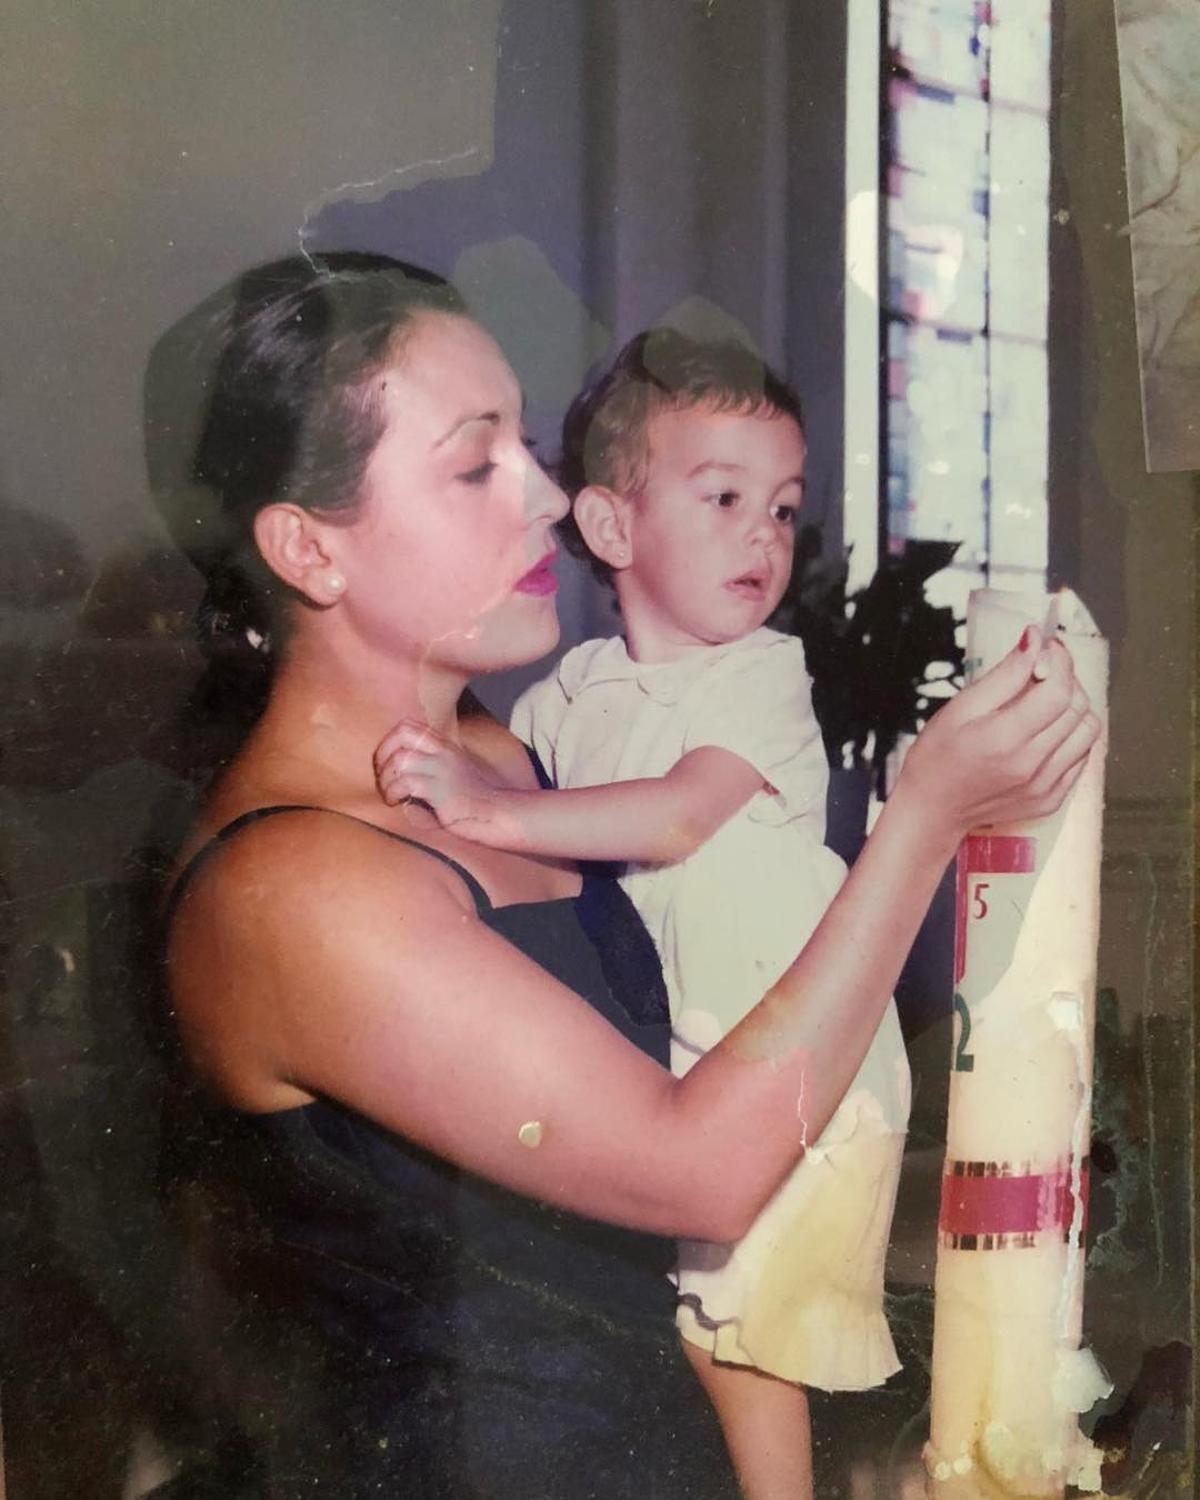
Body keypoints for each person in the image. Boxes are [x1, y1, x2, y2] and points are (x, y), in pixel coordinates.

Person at [160, 251, 1099, 1499]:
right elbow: (692, 1170)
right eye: (473, 461)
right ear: (308, 550)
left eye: (528, 452)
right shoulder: (292, 892)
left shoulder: (509, 745)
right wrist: (922, 820)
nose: (548, 501)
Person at [373, 330, 898, 1499]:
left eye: (782, 508)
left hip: (790, 1049)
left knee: (742, 1331)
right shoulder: (567, 695)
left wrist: (491, 815)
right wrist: (463, 797)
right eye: (724, 498)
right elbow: (544, 825)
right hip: (681, 1049)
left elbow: (670, 817)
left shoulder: (761, 674)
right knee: (680, 1324)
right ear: (611, 530)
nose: (764, 535)